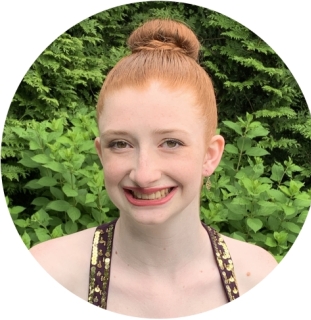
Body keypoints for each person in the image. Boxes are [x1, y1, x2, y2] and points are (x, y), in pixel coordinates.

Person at [30, 18, 277, 318]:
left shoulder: (259, 279)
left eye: (171, 143)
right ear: (101, 153)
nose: (144, 174)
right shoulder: (46, 275)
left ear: (210, 156)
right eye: (120, 144)